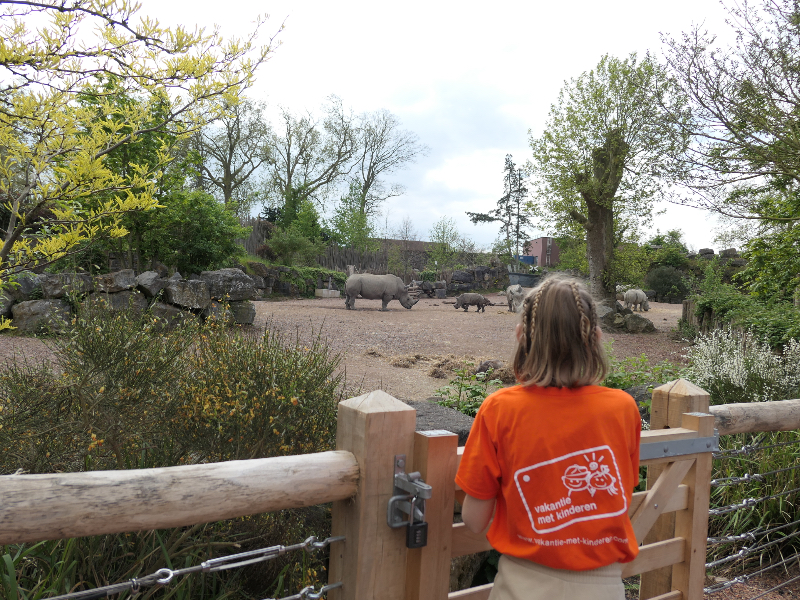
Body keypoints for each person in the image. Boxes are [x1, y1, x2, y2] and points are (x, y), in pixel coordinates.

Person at [455, 275, 641, 600]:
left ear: (520, 336)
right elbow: (619, 492)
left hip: (522, 585)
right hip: (604, 587)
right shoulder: (623, 408)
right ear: (596, 338)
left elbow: (473, 520)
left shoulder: (498, 409)